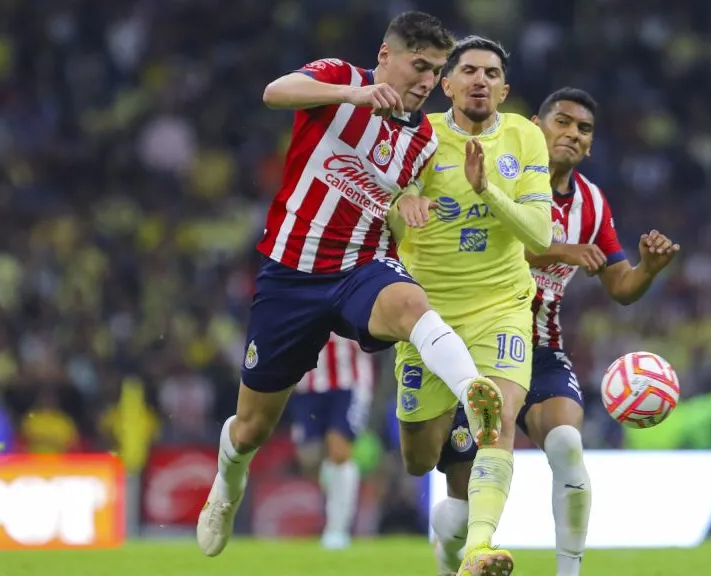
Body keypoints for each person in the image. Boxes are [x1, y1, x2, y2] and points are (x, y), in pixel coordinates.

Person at [196, 12, 502, 557]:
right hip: (291, 273)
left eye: (436, 71)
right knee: (251, 429)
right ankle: (228, 480)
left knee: (410, 303)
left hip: (361, 266)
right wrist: (353, 96)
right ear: (386, 56)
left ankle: (473, 392)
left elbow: (397, 206)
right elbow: (274, 92)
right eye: (419, 66)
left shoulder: (424, 139)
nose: (427, 81)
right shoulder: (339, 78)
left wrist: (409, 205)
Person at [430, 88, 680, 576]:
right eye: (562, 121)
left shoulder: (591, 202)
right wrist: (562, 250)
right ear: (534, 126)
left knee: (566, 443)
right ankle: (449, 550)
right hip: (475, 349)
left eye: (583, 129)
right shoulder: (493, 176)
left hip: (540, 348)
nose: (572, 133)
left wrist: (647, 270)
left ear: (590, 144)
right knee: (460, 516)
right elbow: (486, 243)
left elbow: (620, 286)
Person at [388, 36, 552, 576]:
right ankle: (453, 534)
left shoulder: (524, 137)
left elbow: (540, 235)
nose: (480, 79)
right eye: (469, 71)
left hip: (501, 305)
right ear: (447, 84)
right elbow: (385, 208)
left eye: (492, 73)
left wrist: (488, 191)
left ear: (504, 89)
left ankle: (479, 546)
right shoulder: (420, 134)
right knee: (419, 458)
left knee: (500, 418)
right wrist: (402, 201)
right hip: (427, 316)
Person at [288, 334, 373, 550]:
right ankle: (335, 501)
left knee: (339, 452)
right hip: (307, 385)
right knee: (309, 458)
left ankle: (337, 530)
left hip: (348, 380)